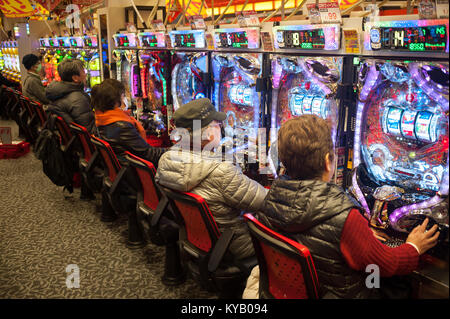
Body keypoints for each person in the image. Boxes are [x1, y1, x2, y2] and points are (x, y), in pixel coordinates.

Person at [245, 115, 439, 299]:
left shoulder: (271, 198)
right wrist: (413, 247)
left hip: (294, 290)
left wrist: (362, 238)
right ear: (328, 162)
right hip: (344, 293)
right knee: (396, 282)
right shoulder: (343, 216)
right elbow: (387, 264)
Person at [155, 98, 268, 261]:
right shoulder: (222, 171)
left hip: (200, 236)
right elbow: (266, 202)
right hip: (235, 243)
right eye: (217, 125)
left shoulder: (167, 160)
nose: (221, 128)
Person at [91, 80, 166, 167]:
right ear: (115, 101)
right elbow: (150, 154)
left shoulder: (101, 119)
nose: (125, 99)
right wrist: (177, 150)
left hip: (123, 171)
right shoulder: (121, 126)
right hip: (135, 173)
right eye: (123, 96)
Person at [45, 59, 95, 133]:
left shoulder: (57, 92)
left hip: (68, 140)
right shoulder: (78, 99)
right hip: (81, 142)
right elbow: (88, 130)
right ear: (75, 78)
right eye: (83, 72)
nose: (86, 74)